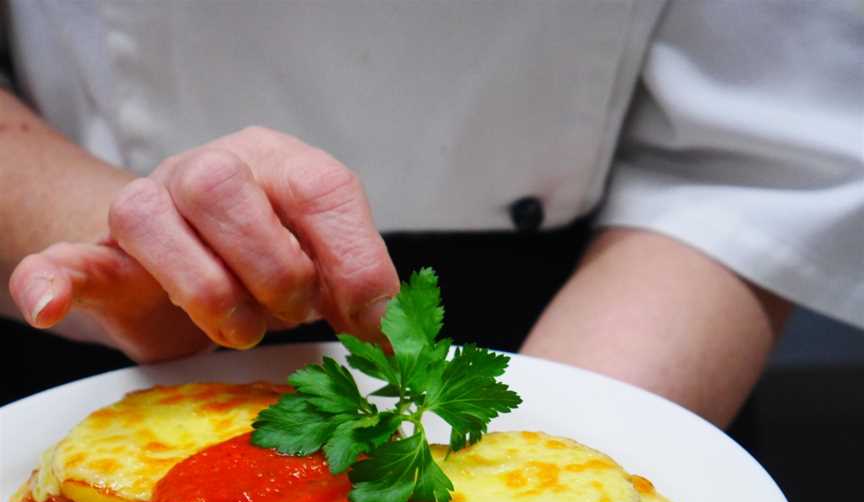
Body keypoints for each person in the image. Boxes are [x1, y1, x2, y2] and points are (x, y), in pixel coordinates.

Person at [1, 0, 861, 428]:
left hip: (616, 328)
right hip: (84, 287)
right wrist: (97, 227)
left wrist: (554, 485)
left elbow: (751, 149)